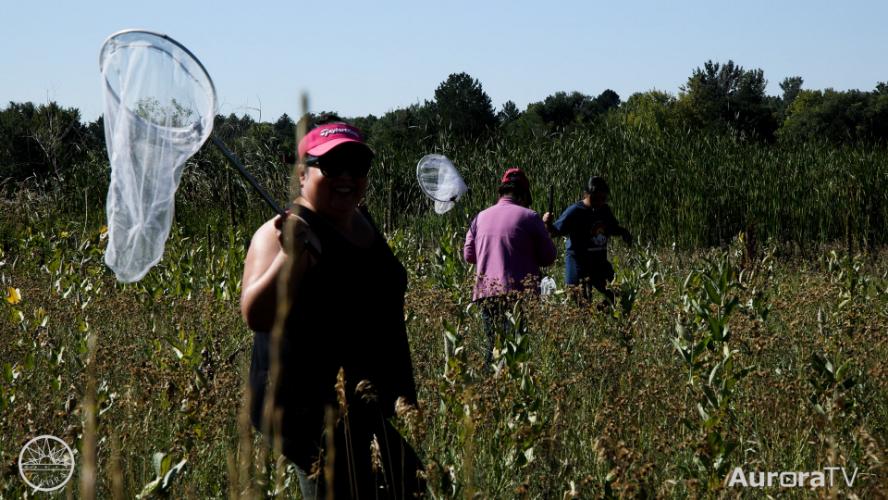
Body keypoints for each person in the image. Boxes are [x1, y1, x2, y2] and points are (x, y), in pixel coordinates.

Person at [240, 119, 424, 498]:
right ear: (302, 173)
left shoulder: (359, 218)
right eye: (332, 166)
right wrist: (289, 258)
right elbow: (255, 315)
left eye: (357, 168)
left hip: (363, 404)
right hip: (313, 414)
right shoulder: (281, 231)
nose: (346, 176)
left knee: (413, 485)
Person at [464, 168, 556, 364]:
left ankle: (490, 389)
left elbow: (469, 255)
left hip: (486, 293)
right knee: (518, 350)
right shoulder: (530, 217)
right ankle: (514, 392)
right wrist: (545, 232)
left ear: (502, 192)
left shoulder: (480, 217)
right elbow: (548, 257)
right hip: (519, 294)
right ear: (523, 195)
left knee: (494, 347)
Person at [543, 175, 632, 306]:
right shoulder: (575, 211)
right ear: (586, 194)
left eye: (603, 198)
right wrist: (547, 224)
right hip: (578, 264)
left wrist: (624, 233)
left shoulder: (604, 210)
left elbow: (612, 228)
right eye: (595, 198)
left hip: (599, 264)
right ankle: (590, 317)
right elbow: (554, 232)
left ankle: (600, 313)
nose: (599, 201)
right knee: (581, 303)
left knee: (618, 296)